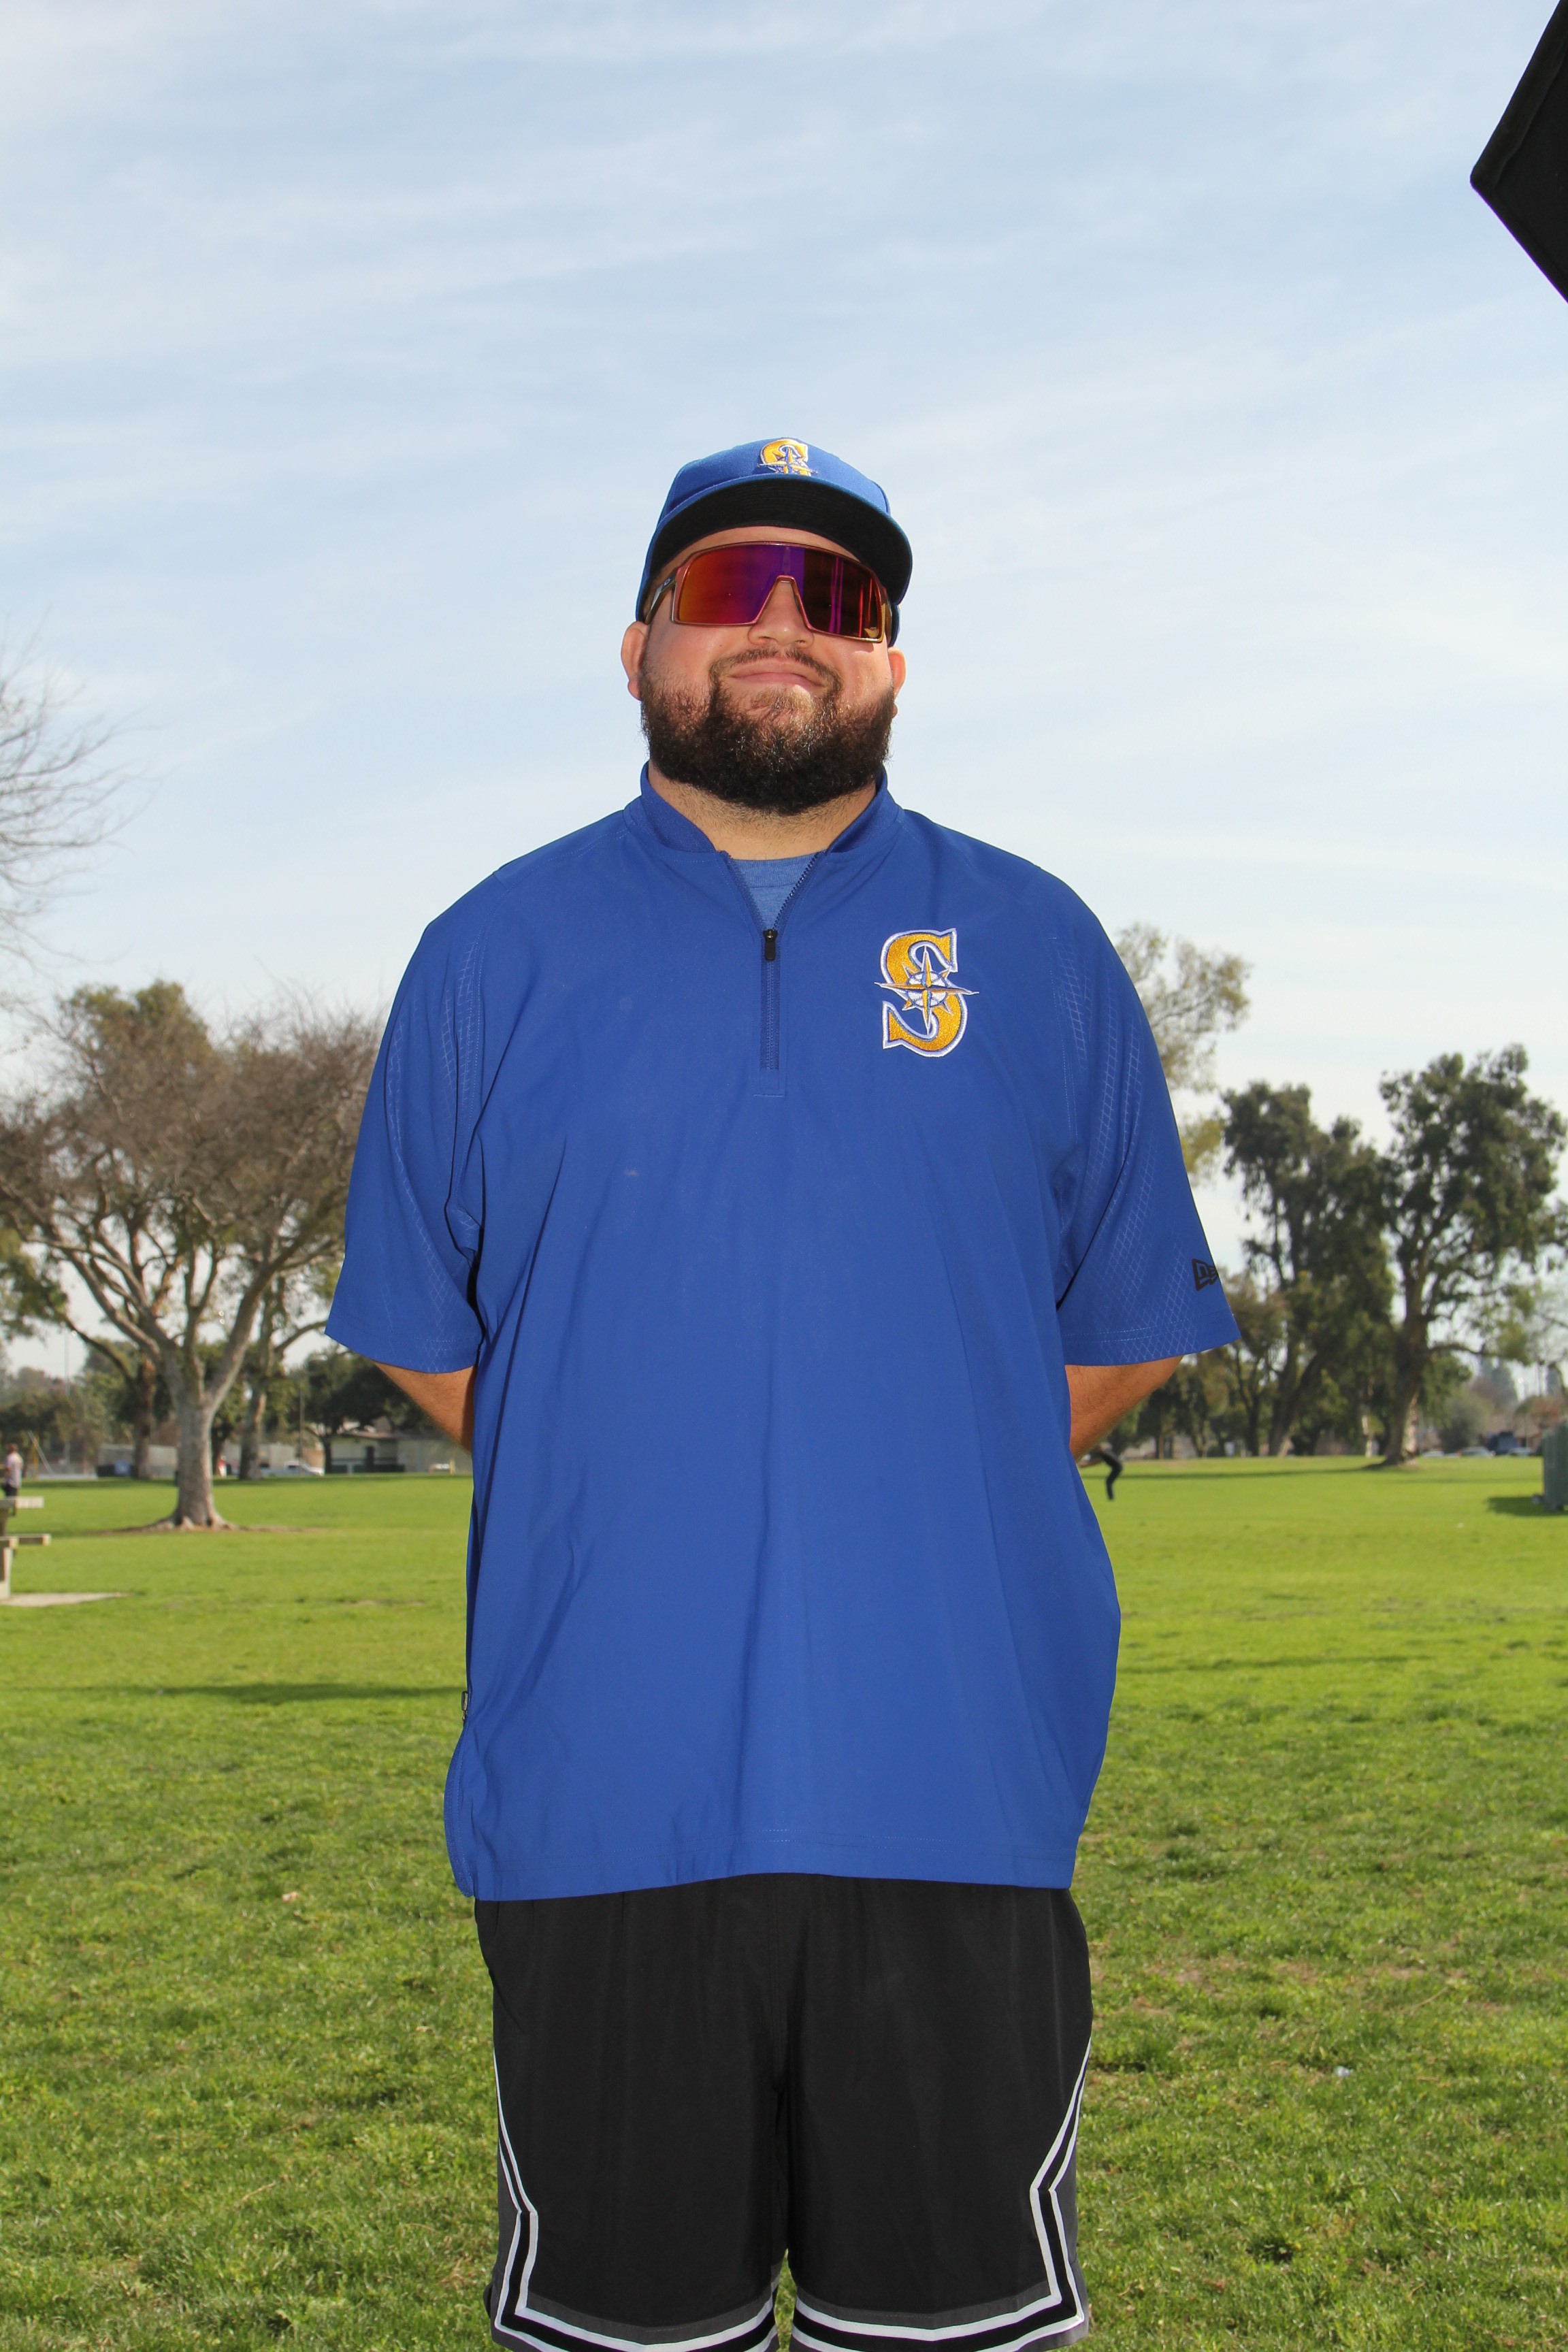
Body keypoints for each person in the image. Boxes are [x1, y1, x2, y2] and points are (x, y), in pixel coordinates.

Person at [327, 438, 1237, 2352]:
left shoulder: (1042, 949)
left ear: (892, 657)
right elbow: (423, 1329)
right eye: (732, 588)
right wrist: (626, 1458)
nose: (785, 630)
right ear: (640, 645)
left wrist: (911, 1462)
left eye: (840, 597)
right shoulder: (489, 953)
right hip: (602, 1799)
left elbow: (1125, 1324)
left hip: (955, 1793)